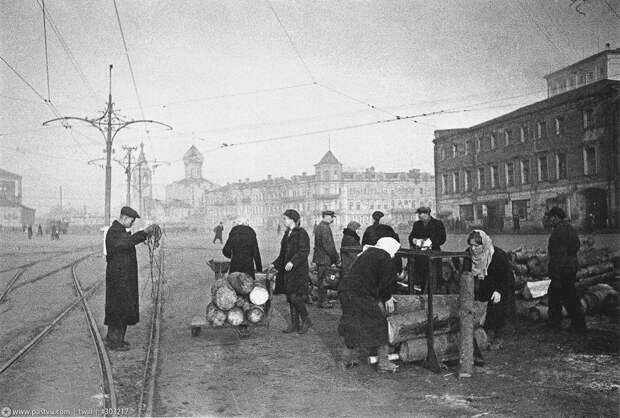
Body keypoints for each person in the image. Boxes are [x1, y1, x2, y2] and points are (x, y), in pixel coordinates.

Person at [337, 237, 401, 372]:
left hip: (345, 291)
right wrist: (388, 297)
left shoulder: (367, 254)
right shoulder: (385, 258)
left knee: (352, 324)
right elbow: (385, 283)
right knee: (381, 324)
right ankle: (384, 362)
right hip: (360, 295)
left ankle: (344, 361)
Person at [104, 206, 157, 351]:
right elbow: (126, 243)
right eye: (131, 221)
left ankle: (116, 338)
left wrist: (143, 234)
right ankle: (114, 342)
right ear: (124, 218)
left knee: (122, 307)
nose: (132, 224)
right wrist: (144, 233)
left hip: (122, 277)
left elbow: (127, 242)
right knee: (118, 308)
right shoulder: (115, 232)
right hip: (118, 278)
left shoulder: (119, 231)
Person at [464, 230, 515, 348]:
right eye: (471, 245)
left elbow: (506, 276)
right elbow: (466, 271)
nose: (473, 248)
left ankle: (498, 335)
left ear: (484, 244)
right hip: (483, 285)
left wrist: (499, 291)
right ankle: (484, 332)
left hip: (500, 285)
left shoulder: (497, 255)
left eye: (477, 245)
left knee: (498, 306)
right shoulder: (468, 254)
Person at [272, 209, 312, 334]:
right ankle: (295, 323)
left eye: (285, 218)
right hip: (287, 271)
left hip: (298, 271)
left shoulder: (301, 233)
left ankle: (306, 319)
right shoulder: (287, 234)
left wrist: (292, 262)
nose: (283, 221)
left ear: (292, 219)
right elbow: (283, 254)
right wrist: (273, 264)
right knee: (290, 296)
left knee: (295, 297)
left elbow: (304, 251)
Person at [546, 207, 586, 333]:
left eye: (551, 218)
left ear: (556, 217)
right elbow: (576, 246)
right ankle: (556, 322)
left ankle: (577, 325)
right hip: (570, 268)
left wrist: (556, 275)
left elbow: (558, 255)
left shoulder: (559, 231)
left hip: (562, 271)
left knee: (567, 298)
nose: (549, 221)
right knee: (558, 296)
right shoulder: (570, 228)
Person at [408, 207, 446, 293]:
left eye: (421, 214)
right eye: (419, 215)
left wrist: (431, 242)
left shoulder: (438, 223)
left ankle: (435, 295)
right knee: (421, 278)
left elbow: (442, 238)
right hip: (421, 256)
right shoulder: (417, 224)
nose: (419, 217)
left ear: (427, 214)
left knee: (434, 278)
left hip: (434, 255)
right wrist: (414, 240)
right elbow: (411, 236)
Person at [313, 210, 340, 308]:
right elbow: (328, 246)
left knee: (321, 280)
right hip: (324, 258)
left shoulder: (321, 226)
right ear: (326, 216)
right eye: (332, 217)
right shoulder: (324, 228)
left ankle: (321, 300)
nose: (333, 219)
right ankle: (323, 302)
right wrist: (336, 258)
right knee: (324, 280)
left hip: (320, 257)